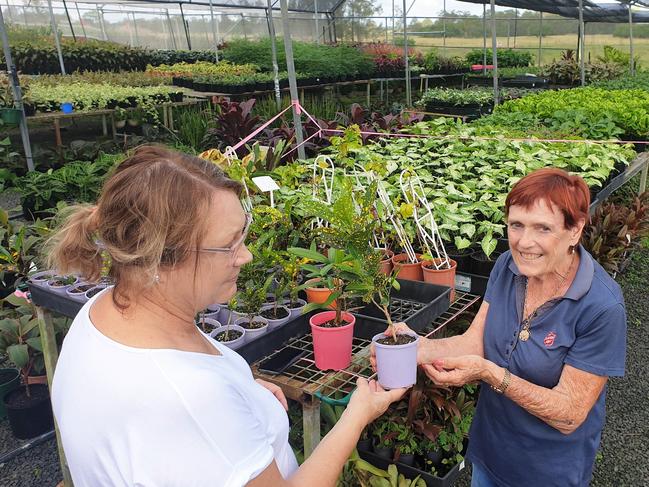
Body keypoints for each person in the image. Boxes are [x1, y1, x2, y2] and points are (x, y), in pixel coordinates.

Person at [48, 145, 406, 487]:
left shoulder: (99, 314)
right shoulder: (192, 401)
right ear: (160, 258)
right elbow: (190, 407)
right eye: (229, 244)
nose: (246, 255)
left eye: (243, 235)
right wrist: (356, 415)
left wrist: (240, 391)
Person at [372, 167, 626, 487]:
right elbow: (476, 341)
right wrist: (417, 347)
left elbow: (568, 414)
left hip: (548, 471)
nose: (524, 241)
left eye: (543, 228)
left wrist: (490, 373)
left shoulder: (601, 307)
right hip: (491, 453)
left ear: (574, 230)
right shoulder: (508, 266)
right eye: (516, 225)